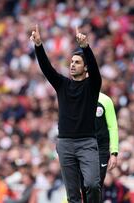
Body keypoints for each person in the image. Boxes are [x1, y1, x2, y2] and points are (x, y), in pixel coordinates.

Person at [30, 25, 102, 203]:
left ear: (85, 68)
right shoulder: (62, 84)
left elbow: (95, 70)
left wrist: (86, 47)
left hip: (87, 143)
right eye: (71, 62)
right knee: (73, 194)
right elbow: (47, 69)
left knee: (92, 184)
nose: (72, 65)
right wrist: (38, 46)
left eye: (77, 62)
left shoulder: (92, 85)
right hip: (65, 144)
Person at [82, 92, 119, 202]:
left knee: (96, 185)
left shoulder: (105, 100)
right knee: (83, 185)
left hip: (101, 149)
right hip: (82, 148)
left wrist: (114, 152)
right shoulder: (78, 97)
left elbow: (113, 127)